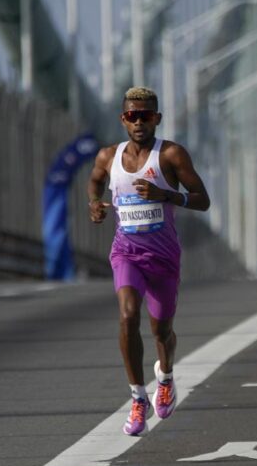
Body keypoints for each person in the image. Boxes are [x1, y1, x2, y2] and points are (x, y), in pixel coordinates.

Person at [88, 86, 211, 436]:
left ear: (157, 118)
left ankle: (166, 376)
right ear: (123, 119)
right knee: (128, 315)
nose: (139, 122)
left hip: (164, 256)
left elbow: (203, 199)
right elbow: (95, 183)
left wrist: (167, 195)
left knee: (162, 331)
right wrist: (94, 204)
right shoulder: (108, 157)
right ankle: (138, 397)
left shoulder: (171, 156)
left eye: (145, 115)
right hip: (126, 252)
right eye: (132, 115)